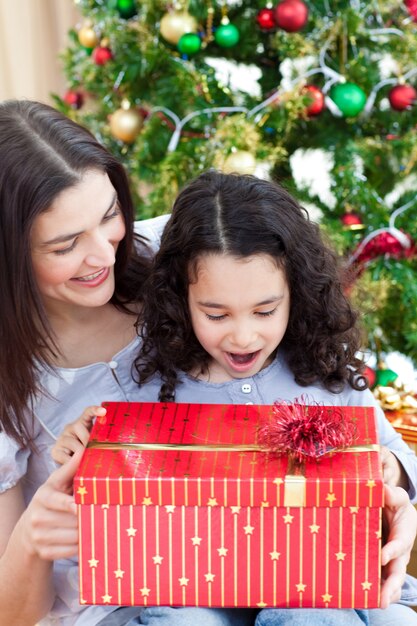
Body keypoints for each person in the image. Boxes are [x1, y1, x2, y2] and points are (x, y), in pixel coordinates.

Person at [56, 171, 417, 625]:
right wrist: (82, 453)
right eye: (216, 313)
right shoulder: (152, 387)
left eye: (265, 311)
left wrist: (391, 468)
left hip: (320, 579)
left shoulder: (322, 375)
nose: (243, 336)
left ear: (296, 296)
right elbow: (114, 496)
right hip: (197, 590)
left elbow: (402, 461)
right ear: (181, 301)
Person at [0, 100, 249, 626]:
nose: (103, 254)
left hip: (250, 558)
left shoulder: (176, 256)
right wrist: (31, 539)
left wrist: (392, 472)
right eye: (66, 244)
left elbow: (321, 363)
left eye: (109, 214)